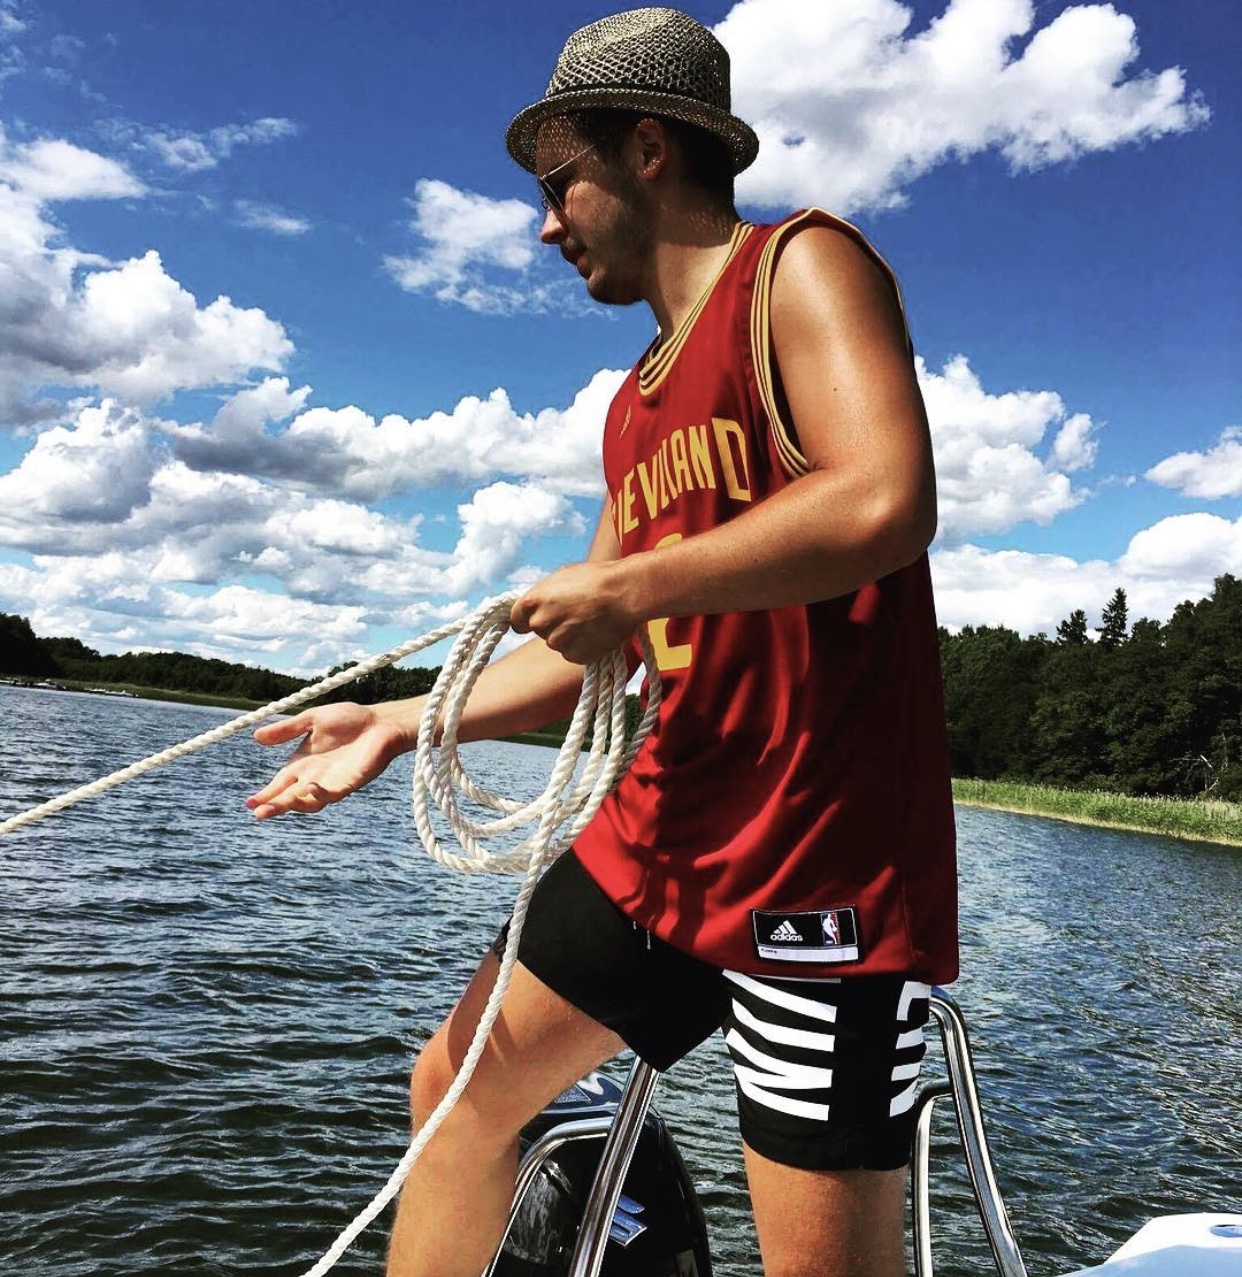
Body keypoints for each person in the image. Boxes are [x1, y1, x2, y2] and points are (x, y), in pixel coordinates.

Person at [248, 8, 957, 1276]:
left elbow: (883, 494)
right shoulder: (633, 404)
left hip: (822, 859)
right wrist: (403, 720)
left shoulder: (800, 265)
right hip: (663, 836)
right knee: (457, 1091)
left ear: (647, 148)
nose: (545, 224)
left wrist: (630, 585)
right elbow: (595, 649)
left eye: (556, 182)